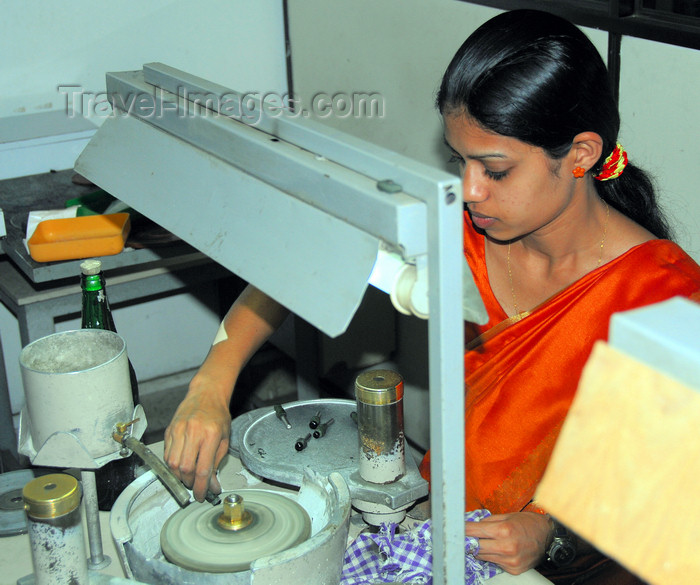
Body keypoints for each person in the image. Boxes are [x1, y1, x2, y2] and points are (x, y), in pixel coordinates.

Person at [164, 8, 700, 583]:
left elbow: (655, 476)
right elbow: (305, 258)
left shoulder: (665, 296)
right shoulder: (458, 234)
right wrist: (210, 385)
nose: (468, 191)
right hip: (442, 518)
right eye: (457, 161)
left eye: (494, 169)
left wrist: (550, 533)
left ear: (580, 154)